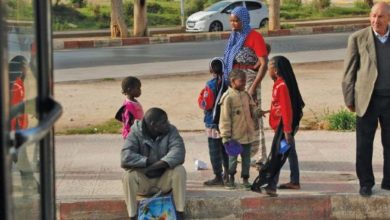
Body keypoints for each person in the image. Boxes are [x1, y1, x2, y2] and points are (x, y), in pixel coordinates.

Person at [342, 2, 390, 197]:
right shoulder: (358, 38)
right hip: (367, 99)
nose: (375, 20)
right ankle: (365, 183)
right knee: (364, 144)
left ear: (388, 18)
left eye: (380, 17)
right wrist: (349, 98)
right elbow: (349, 72)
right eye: (373, 16)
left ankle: (388, 181)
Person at [121, 108, 186, 220]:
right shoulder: (135, 133)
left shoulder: (171, 130)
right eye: (164, 122)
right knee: (128, 176)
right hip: (143, 183)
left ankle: (180, 213)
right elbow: (125, 157)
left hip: (163, 182)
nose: (168, 124)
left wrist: (152, 167)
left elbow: (179, 153)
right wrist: (147, 161)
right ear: (153, 125)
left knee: (179, 170)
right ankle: (132, 216)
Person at [223, 6, 268, 165]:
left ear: (244, 20)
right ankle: (242, 154)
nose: (233, 24)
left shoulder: (254, 36)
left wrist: (253, 87)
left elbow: (264, 64)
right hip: (235, 80)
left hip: (249, 79)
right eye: (232, 21)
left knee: (253, 117)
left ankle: (259, 156)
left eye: (236, 21)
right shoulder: (234, 37)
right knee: (237, 117)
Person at [260, 56, 305, 197]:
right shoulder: (279, 84)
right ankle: (295, 181)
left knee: (277, 155)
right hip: (283, 127)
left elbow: (286, 109)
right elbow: (279, 105)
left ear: (276, 70)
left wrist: (287, 130)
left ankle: (272, 186)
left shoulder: (282, 86)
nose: (268, 71)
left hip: (284, 128)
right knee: (289, 152)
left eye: (269, 68)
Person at [219, 69, 260, 190]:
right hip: (234, 137)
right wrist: (225, 135)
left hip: (247, 135)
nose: (244, 84)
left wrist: (258, 112)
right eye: (241, 81)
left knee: (246, 159)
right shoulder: (228, 98)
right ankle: (231, 179)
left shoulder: (246, 95)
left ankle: (245, 179)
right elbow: (225, 118)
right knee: (233, 159)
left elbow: (253, 108)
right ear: (232, 81)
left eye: (245, 81)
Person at [198, 57, 229, 186]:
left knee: (214, 150)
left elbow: (207, 104)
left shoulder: (210, 85)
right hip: (225, 121)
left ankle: (218, 176)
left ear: (211, 69)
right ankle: (228, 173)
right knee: (225, 149)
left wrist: (201, 101)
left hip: (212, 123)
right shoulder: (228, 83)